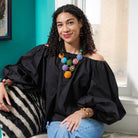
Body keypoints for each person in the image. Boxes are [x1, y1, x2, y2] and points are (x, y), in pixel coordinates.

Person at [0, 4, 126, 138]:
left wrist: (81, 113)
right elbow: (23, 72)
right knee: (64, 131)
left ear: (81, 23)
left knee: (74, 132)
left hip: (87, 122)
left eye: (70, 22)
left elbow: (104, 99)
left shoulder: (95, 61)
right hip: (57, 122)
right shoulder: (46, 54)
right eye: (60, 25)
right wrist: (3, 84)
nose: (65, 29)